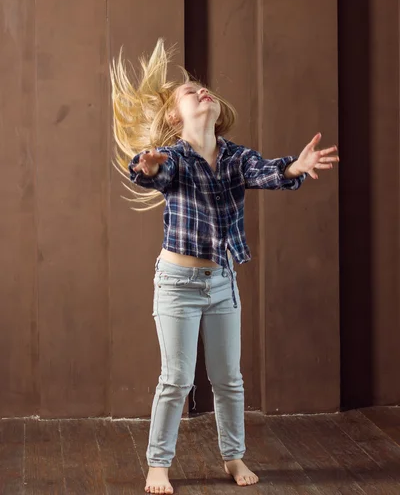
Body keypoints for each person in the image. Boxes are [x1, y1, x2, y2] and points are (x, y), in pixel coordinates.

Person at [110, 39, 339, 494]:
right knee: (175, 379)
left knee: (228, 380)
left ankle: (234, 457)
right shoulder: (172, 158)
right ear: (175, 116)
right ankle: (158, 464)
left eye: (204, 90)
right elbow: (149, 172)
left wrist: (296, 168)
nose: (202, 94)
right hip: (176, 283)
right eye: (191, 93)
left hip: (221, 282)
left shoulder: (236, 157)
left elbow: (266, 172)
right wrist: (147, 165)